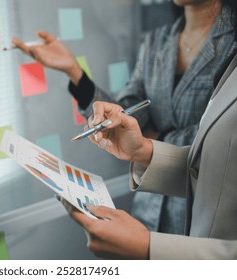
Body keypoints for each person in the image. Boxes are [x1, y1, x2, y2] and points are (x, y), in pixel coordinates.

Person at [12, 0, 237, 235]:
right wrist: (74, 71)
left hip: (202, 219)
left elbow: (216, 143)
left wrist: (145, 141)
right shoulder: (155, 41)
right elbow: (127, 113)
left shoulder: (232, 45)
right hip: (147, 211)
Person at [63, 48, 237, 258]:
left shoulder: (227, 41)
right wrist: (144, 150)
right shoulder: (155, 42)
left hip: (184, 234)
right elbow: (219, 161)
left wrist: (150, 248)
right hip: (147, 214)